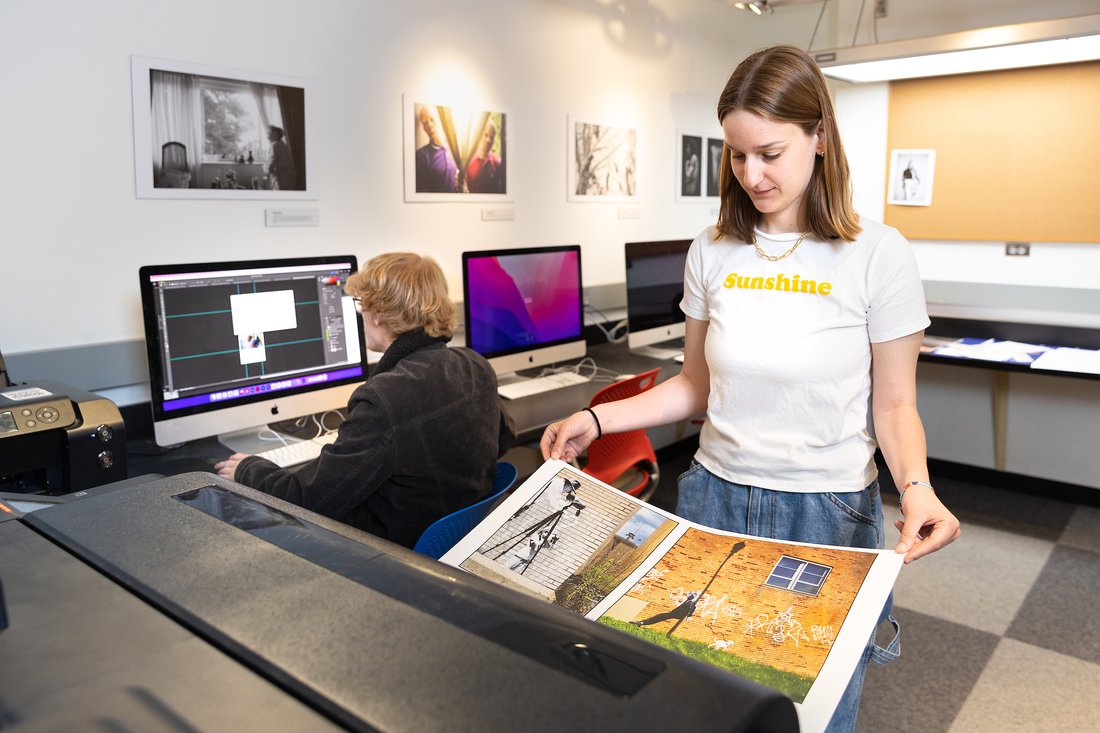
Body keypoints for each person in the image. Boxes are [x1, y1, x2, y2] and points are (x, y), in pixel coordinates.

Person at [541, 44, 960, 733]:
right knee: (699, 705)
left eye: (769, 152)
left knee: (809, 714)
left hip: (824, 514)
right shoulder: (713, 248)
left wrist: (916, 485)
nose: (751, 173)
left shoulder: (878, 254)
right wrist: (599, 417)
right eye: (736, 155)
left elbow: (893, 404)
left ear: (819, 136)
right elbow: (693, 385)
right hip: (713, 498)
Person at [215, 253, 516, 548]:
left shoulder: (385, 397)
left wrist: (249, 470)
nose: (360, 315)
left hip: (393, 549)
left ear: (379, 312)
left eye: (361, 304)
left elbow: (311, 500)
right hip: (455, 532)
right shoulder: (475, 363)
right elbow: (502, 439)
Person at [414, 105, 458, 193]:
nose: (430, 125)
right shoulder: (421, 156)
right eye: (425, 123)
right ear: (424, 128)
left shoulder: (453, 150)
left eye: (432, 120)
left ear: (438, 121)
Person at [465, 119, 504, 193]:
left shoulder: (497, 163)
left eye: (491, 137)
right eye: (486, 135)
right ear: (479, 136)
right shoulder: (468, 162)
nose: (488, 140)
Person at [266, 125, 297, 190]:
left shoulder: (274, 145)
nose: (267, 136)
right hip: (290, 178)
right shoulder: (283, 144)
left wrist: (266, 170)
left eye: (269, 133)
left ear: (274, 134)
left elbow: (270, 165)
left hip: (281, 180)